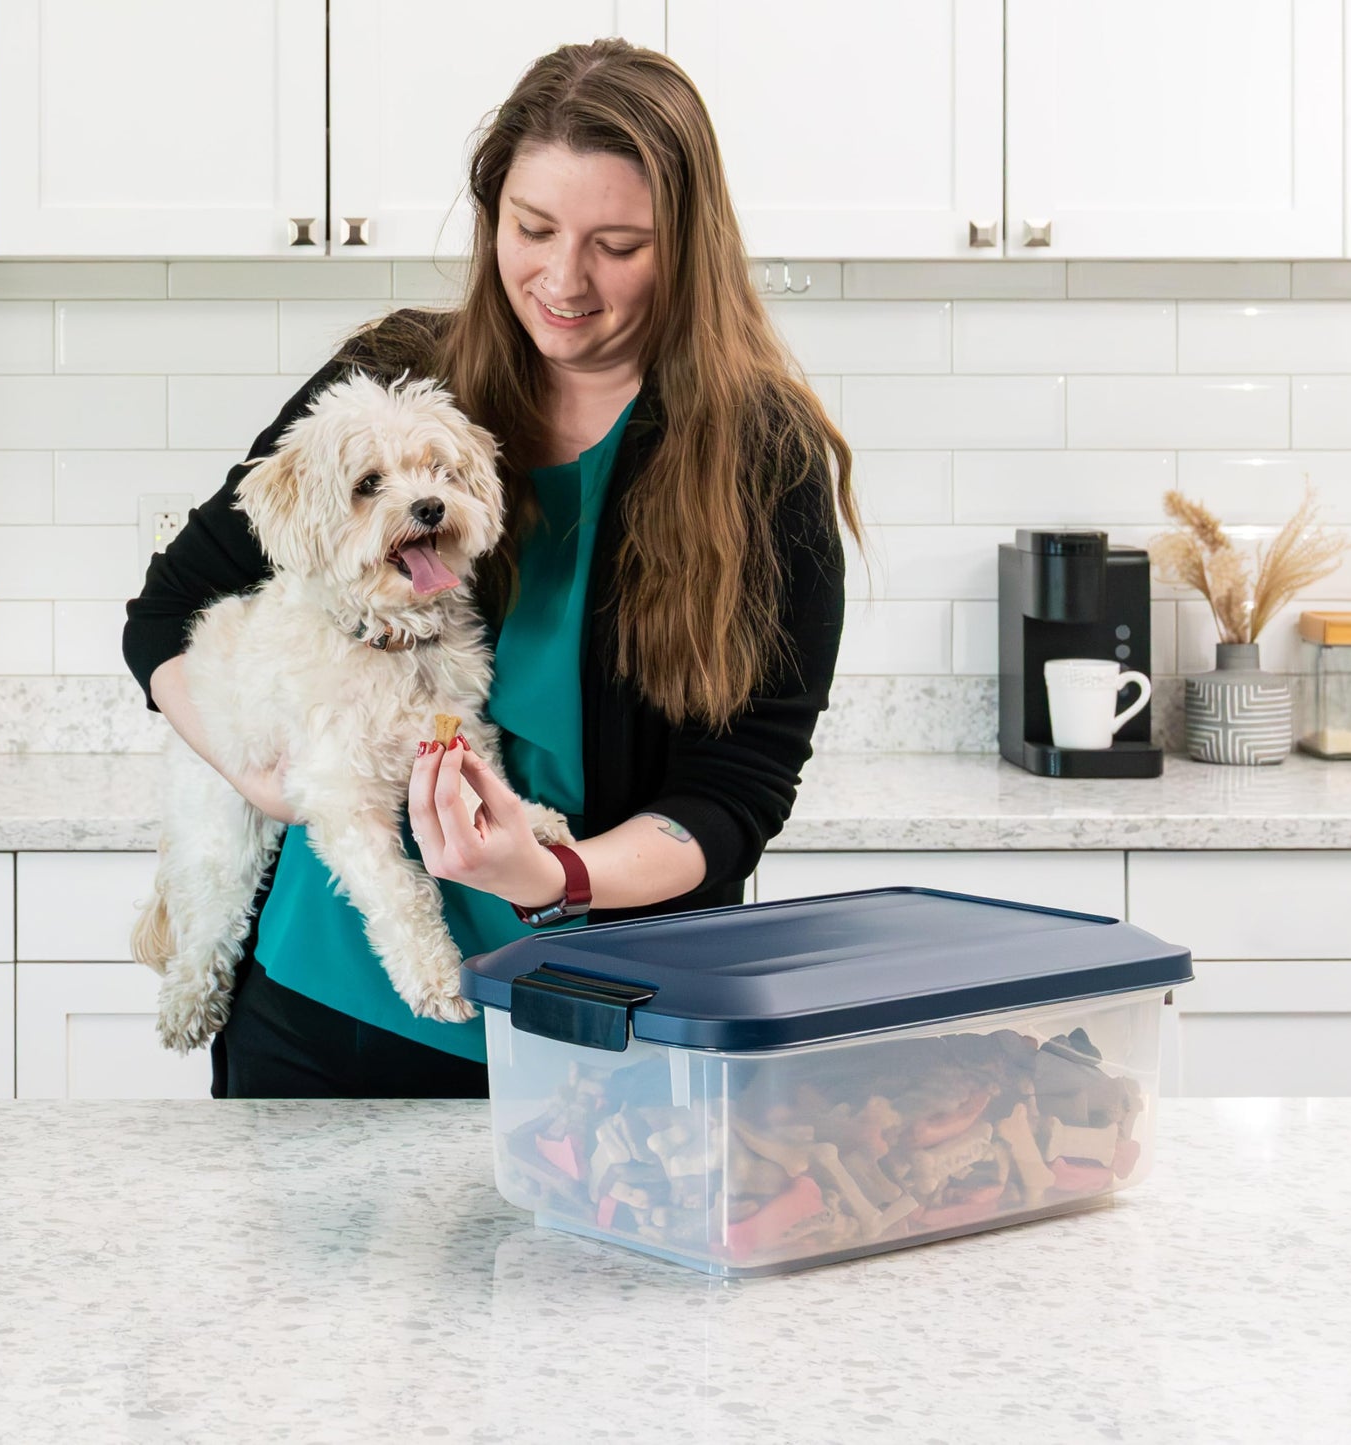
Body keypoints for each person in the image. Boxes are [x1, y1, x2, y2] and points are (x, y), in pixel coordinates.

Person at [122, 37, 861, 1100]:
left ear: (689, 248)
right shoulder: (393, 383)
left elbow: (733, 793)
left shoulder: (762, 461)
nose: (563, 280)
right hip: (309, 1009)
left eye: (617, 243)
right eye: (532, 229)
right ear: (489, 215)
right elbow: (165, 613)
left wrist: (554, 871)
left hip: (598, 1030)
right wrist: (263, 778)